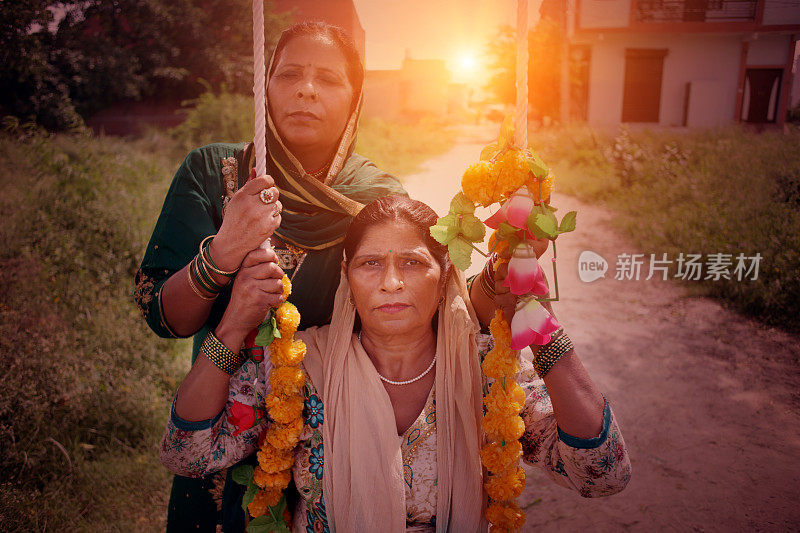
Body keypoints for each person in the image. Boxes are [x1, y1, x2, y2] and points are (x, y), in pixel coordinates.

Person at [160, 196, 631, 532]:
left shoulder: (487, 371)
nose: (390, 283)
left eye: (411, 263)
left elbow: (603, 473)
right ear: (346, 274)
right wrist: (230, 329)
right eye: (370, 264)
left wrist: (541, 325)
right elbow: (186, 452)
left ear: (444, 274)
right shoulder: (298, 368)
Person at [134, 21, 407, 531]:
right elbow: (163, 316)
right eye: (290, 75)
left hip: (333, 444)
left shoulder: (377, 201)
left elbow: (417, 316)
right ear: (267, 87)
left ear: (354, 100)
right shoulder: (214, 175)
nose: (306, 89)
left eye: (327, 79)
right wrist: (224, 251)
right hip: (217, 432)